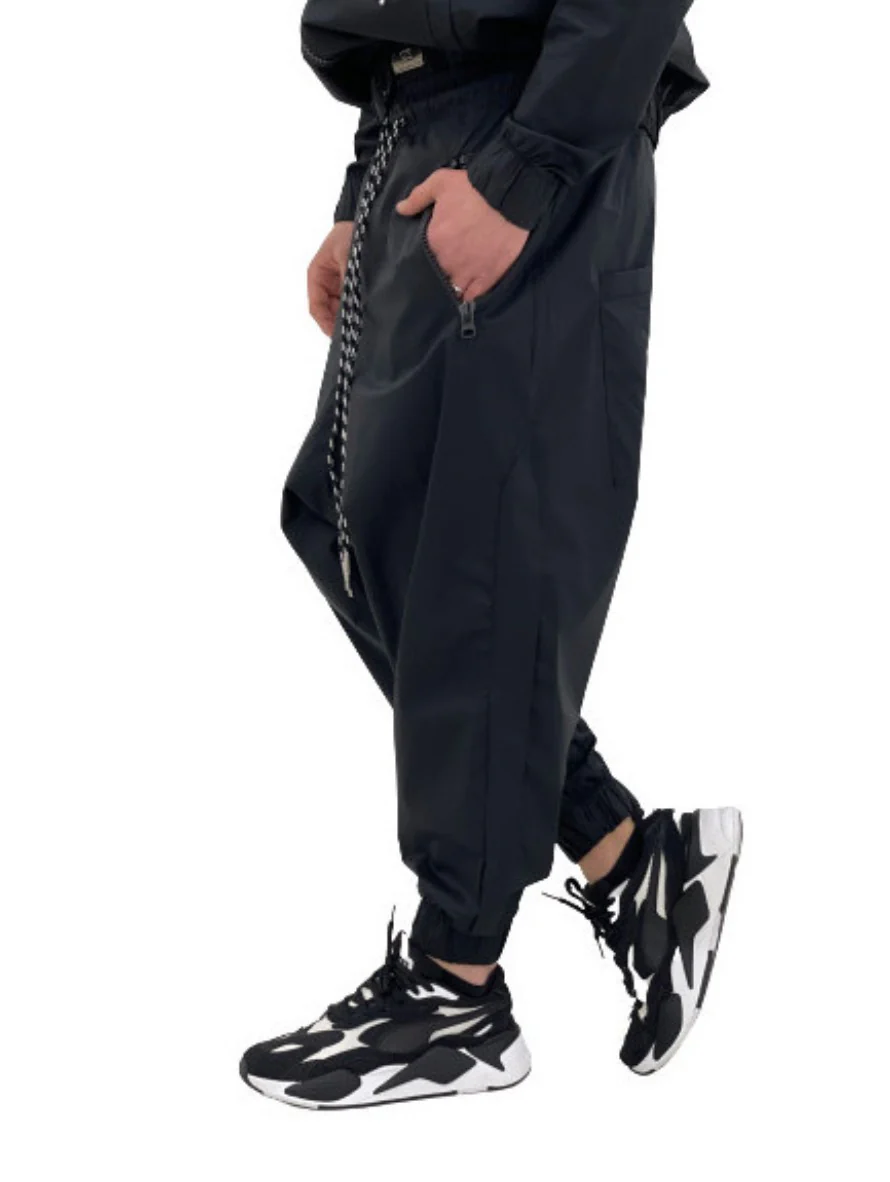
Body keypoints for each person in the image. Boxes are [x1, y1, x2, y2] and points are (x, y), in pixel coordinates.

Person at [240, 0, 742, 1109]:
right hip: (415, 123)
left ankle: (454, 985)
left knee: (486, 554)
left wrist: (524, 169)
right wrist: (361, 190)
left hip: (531, 117)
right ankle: (625, 854)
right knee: (346, 524)